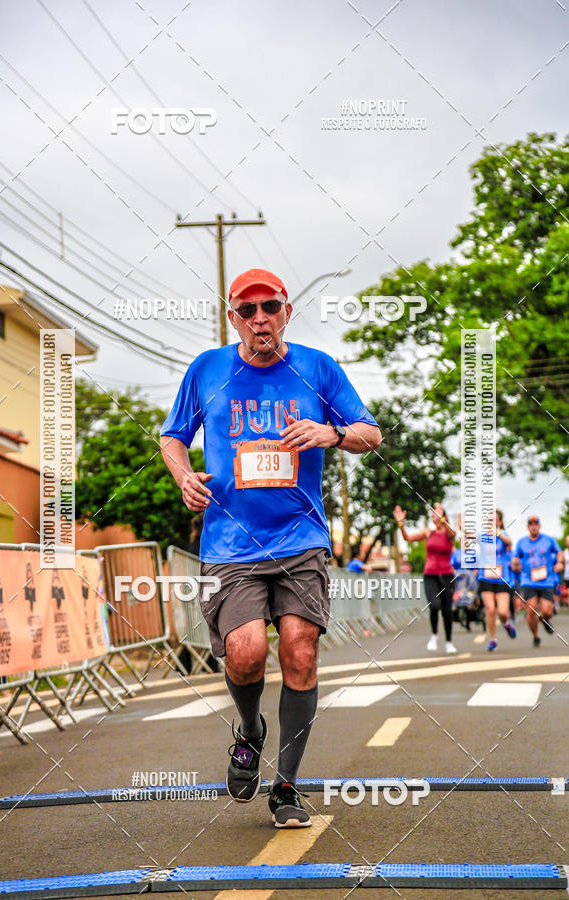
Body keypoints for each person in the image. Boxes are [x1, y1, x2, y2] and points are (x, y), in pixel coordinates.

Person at [160, 267, 381, 827]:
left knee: (301, 651)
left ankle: (286, 786)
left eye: (271, 307)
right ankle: (251, 729)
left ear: (287, 311)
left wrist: (333, 433)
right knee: (247, 651)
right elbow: (172, 437)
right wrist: (183, 475)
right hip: (230, 543)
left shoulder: (316, 368)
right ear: (232, 317)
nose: (260, 318)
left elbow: (370, 434)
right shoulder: (207, 370)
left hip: (301, 538)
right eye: (247, 310)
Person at [394, 503, 457, 653]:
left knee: (447, 610)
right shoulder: (429, 533)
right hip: (430, 575)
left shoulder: (449, 533)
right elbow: (408, 538)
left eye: (437, 515)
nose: (434, 518)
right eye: (433, 516)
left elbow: (453, 534)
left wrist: (443, 520)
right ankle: (434, 635)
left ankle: (449, 641)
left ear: (444, 517)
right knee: (434, 605)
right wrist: (401, 524)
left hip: (447, 575)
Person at [511, 516, 563, 647]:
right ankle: (535, 636)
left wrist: (560, 563)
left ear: (539, 526)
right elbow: (515, 560)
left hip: (547, 580)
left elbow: (559, 553)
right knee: (531, 610)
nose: (533, 526)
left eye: (536, 523)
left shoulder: (548, 540)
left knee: (547, 611)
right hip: (528, 580)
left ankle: (544, 619)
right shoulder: (522, 542)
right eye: (531, 524)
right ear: (528, 526)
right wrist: (515, 564)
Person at [476, 510, 516, 651]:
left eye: (494, 520)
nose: (491, 523)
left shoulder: (504, 536)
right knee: (490, 609)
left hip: (501, 578)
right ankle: (493, 639)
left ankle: (506, 624)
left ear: (499, 522)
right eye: (489, 521)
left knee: (503, 612)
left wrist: (497, 533)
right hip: (485, 577)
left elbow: (509, 542)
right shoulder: (482, 537)